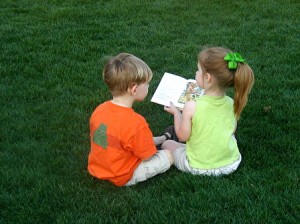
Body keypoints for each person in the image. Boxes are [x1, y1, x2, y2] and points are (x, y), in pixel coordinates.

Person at [161, 47, 254, 176]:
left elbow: (182, 137)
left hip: (199, 166)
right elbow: (232, 130)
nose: (196, 72)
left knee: (168, 144)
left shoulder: (191, 106)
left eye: (198, 70)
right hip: (231, 163)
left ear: (208, 78)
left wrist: (177, 113)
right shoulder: (231, 103)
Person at [88, 53, 174, 186]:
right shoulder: (135, 122)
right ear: (134, 89)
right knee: (168, 155)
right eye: (147, 84)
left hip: (99, 167)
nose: (149, 86)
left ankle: (164, 138)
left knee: (137, 141)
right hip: (122, 174)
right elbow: (147, 157)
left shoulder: (99, 109)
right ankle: (166, 141)